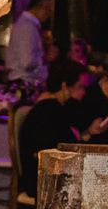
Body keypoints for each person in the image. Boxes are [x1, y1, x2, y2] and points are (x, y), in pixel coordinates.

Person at [17, 60, 87, 193]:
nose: (83, 92)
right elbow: (61, 149)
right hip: (44, 182)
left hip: (51, 176)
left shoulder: (55, 108)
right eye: (80, 87)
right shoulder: (49, 111)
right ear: (64, 86)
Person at [6, 0, 53, 87]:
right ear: (39, 7)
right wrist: (46, 58)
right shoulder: (27, 27)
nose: (49, 15)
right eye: (48, 10)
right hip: (25, 84)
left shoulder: (29, 25)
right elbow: (27, 62)